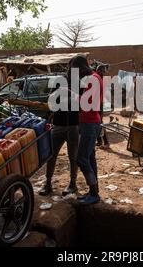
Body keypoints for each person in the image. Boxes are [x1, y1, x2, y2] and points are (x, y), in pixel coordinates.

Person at [39, 61, 80, 196]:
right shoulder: (58, 81)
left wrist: (68, 93)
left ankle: (73, 184)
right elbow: (50, 101)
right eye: (71, 67)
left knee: (73, 157)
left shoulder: (80, 83)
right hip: (58, 124)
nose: (72, 70)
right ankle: (48, 183)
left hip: (73, 125)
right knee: (51, 155)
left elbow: (81, 104)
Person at [70, 55, 103, 205]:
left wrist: (74, 96)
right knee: (90, 157)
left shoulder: (92, 80)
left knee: (81, 159)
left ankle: (94, 192)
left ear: (81, 68)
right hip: (90, 122)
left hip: (90, 123)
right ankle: (93, 191)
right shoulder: (95, 77)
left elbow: (86, 104)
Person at [95, 64, 110, 149]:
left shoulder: (100, 80)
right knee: (98, 123)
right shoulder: (99, 79)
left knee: (100, 123)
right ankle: (100, 141)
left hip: (99, 104)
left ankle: (106, 142)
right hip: (98, 104)